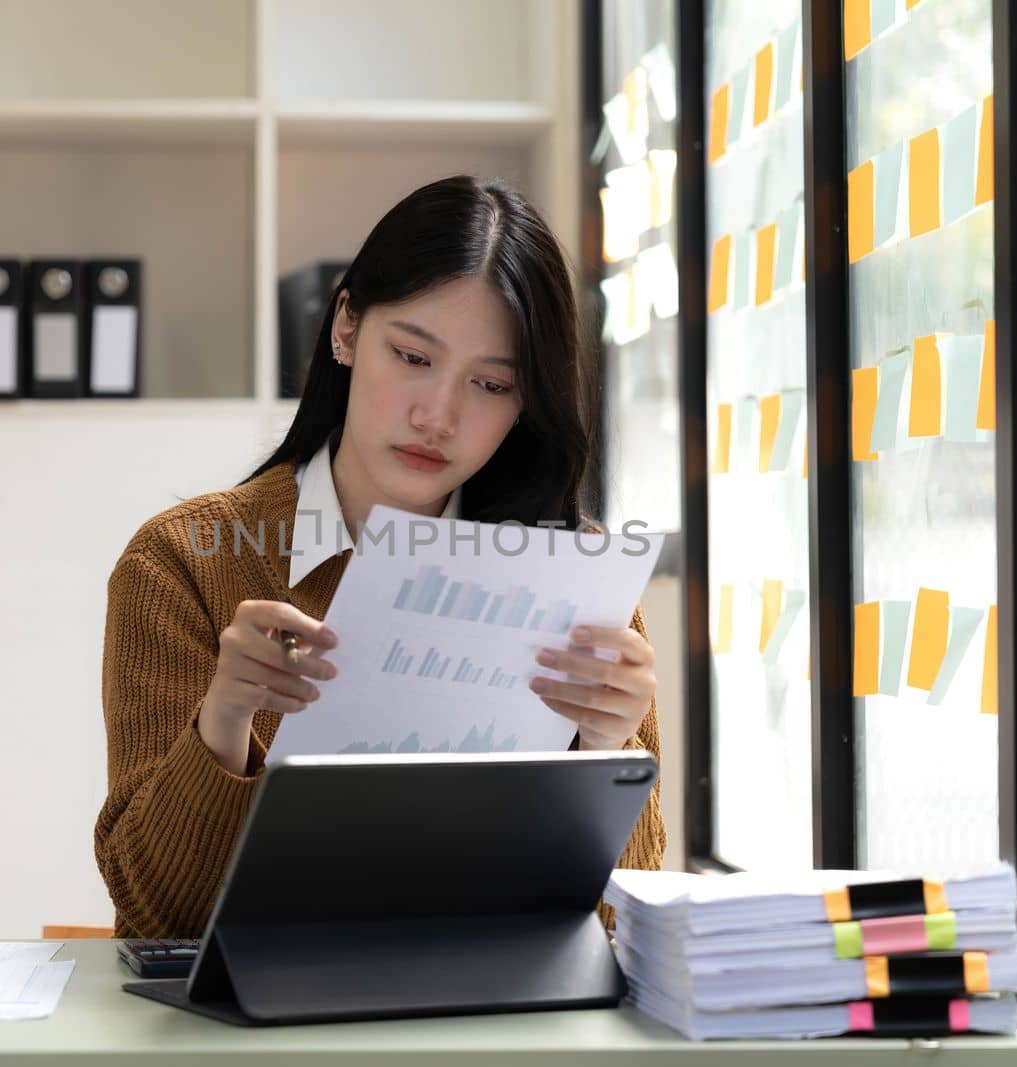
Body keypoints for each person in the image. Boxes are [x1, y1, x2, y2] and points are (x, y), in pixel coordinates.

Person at [94, 174, 666, 939]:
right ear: (346, 330)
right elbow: (161, 916)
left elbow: (619, 928)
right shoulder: (181, 562)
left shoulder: (576, 578)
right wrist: (225, 720)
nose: (439, 415)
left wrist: (608, 749)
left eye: (491, 383)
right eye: (412, 356)